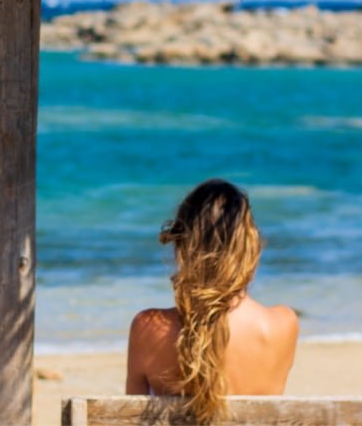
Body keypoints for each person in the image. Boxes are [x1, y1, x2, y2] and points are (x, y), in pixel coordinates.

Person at [126, 179, 298, 423]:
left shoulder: (147, 328)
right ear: (250, 245)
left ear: (181, 246)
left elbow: (133, 421)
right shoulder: (283, 324)